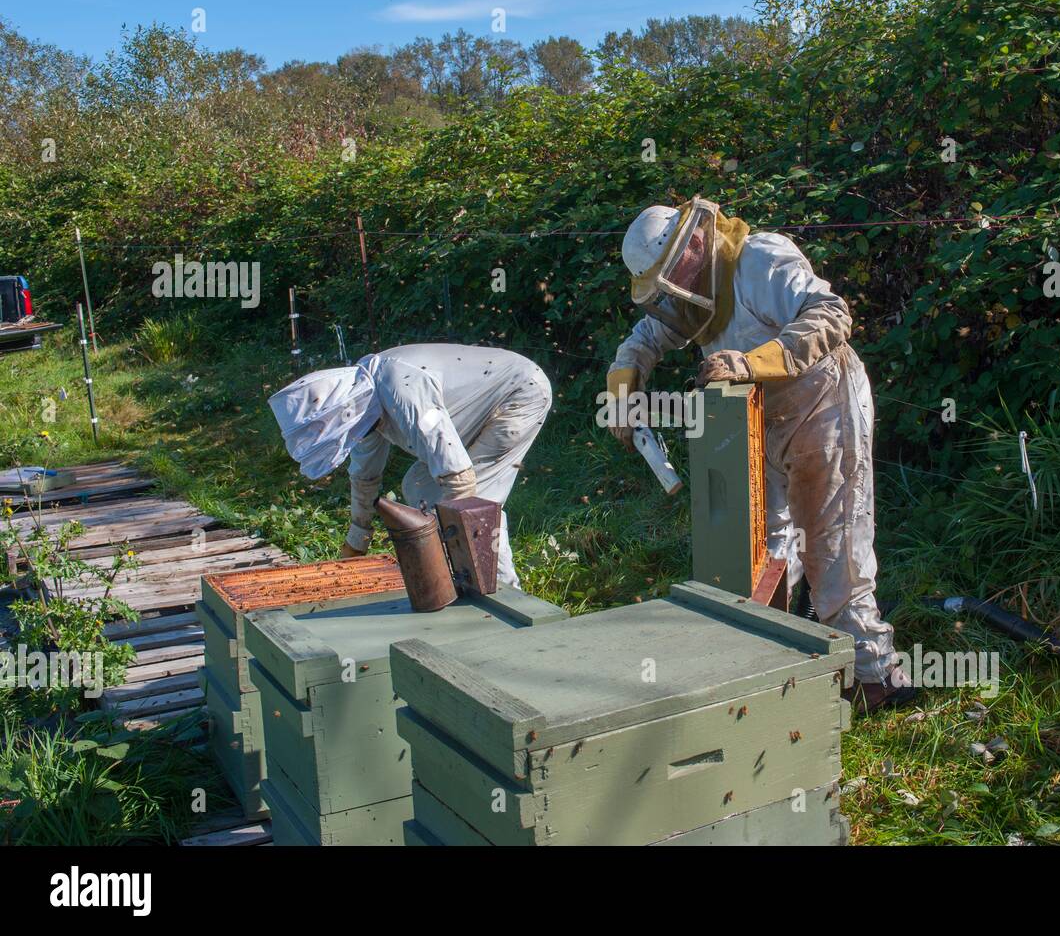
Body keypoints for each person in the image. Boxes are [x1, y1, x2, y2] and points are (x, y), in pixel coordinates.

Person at [607, 196, 913, 711]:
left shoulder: (762, 260)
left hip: (824, 402)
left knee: (832, 543)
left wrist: (751, 362)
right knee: (760, 545)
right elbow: (645, 338)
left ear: (696, 242)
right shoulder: (688, 292)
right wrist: (623, 388)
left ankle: (873, 677)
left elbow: (831, 314)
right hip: (756, 420)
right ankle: (779, 664)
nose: (669, 291)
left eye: (670, 274)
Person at [269, 343, 551, 588]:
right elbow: (365, 477)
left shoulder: (400, 388)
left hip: (518, 394)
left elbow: (459, 477)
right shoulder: (362, 406)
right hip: (481, 402)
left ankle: (503, 591)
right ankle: (474, 578)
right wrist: (358, 539)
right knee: (418, 486)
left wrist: (452, 541)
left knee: (478, 501)